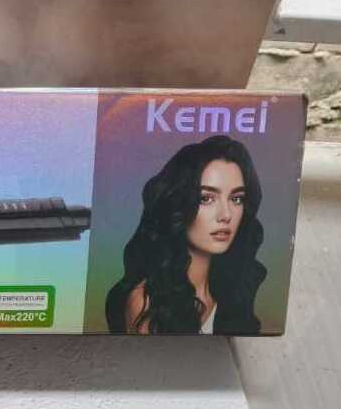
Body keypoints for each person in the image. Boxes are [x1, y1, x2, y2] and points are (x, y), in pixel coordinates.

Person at [105, 135, 266, 335]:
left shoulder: (233, 291)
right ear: (179, 205)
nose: (226, 215)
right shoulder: (148, 303)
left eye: (236, 199)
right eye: (207, 198)